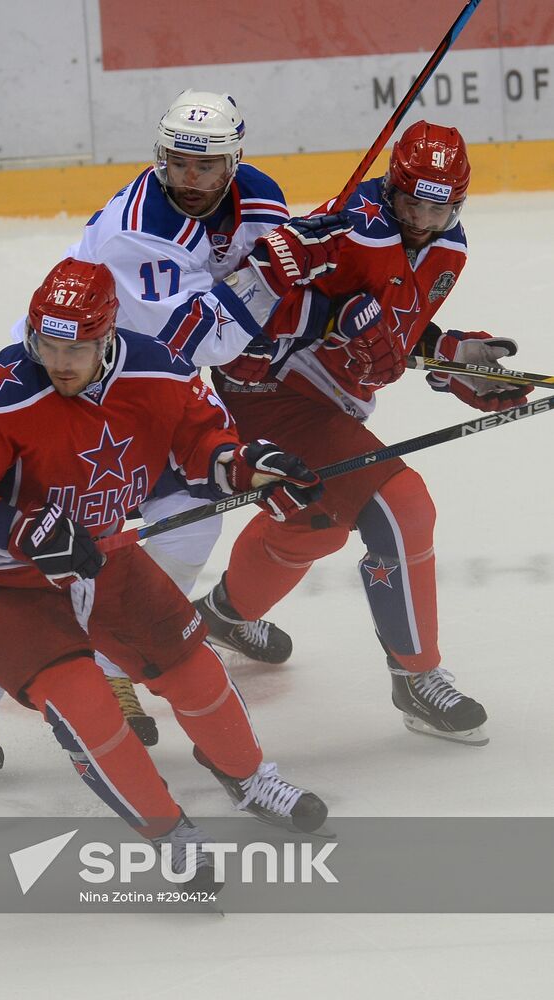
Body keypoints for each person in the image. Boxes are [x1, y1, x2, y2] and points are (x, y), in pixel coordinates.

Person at [0, 89, 322, 785]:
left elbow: (248, 293)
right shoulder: (135, 232)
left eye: (208, 166)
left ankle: (112, 664)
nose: (192, 179)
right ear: (159, 157)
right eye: (178, 163)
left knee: (186, 526)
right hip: (74, 384)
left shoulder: (258, 197)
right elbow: (209, 341)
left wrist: (305, 257)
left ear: (236, 160)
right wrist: (268, 280)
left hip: (147, 391)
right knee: (53, 553)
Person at [0, 257, 331, 886]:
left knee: (195, 668)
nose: (58, 361)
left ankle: (249, 779)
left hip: (101, 557)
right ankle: (169, 832)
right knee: (86, 704)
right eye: (45, 343)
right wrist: (20, 529)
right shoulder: (1, 393)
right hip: (1, 584)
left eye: (75, 347)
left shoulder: (158, 368)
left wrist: (251, 468)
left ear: (108, 338)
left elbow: (203, 445)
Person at [194, 120, 534, 747]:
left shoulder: (447, 249)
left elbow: (392, 332)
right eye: (412, 202)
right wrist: (318, 303)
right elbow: (238, 306)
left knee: (314, 522)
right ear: (390, 186)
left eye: (441, 206)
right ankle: (417, 676)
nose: (425, 219)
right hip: (271, 392)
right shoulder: (348, 229)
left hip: (327, 401)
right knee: (400, 508)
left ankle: (222, 615)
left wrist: (453, 357)